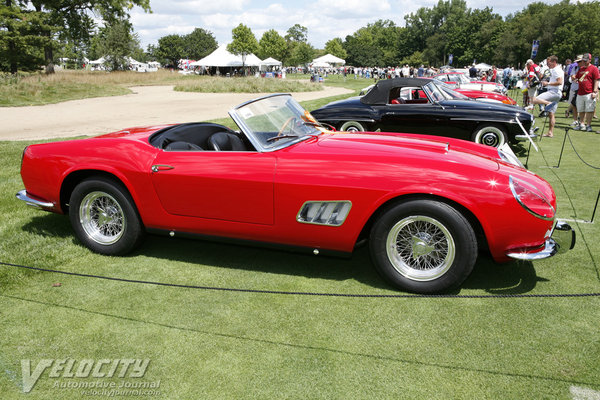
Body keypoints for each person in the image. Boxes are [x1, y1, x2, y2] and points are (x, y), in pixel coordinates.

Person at [530, 55, 563, 137]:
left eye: (549, 63)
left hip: (554, 91)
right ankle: (550, 132)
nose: (548, 65)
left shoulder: (556, 70)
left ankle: (547, 103)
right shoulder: (555, 69)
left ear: (554, 62)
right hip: (556, 92)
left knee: (533, 100)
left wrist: (547, 83)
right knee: (551, 114)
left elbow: (560, 82)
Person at [573, 53, 600, 132]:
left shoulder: (594, 68)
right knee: (581, 110)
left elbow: (596, 80)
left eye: (586, 61)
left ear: (590, 60)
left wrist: (595, 91)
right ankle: (581, 124)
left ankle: (588, 125)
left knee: (589, 110)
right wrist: (574, 78)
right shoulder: (581, 69)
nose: (584, 62)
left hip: (589, 92)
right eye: (583, 60)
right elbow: (577, 77)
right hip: (580, 92)